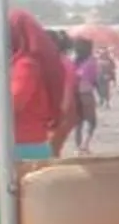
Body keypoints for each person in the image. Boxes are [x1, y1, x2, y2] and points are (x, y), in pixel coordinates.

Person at [5, 11, 75, 163]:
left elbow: (14, 103)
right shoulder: (43, 62)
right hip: (32, 138)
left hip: (24, 142)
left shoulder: (26, 65)